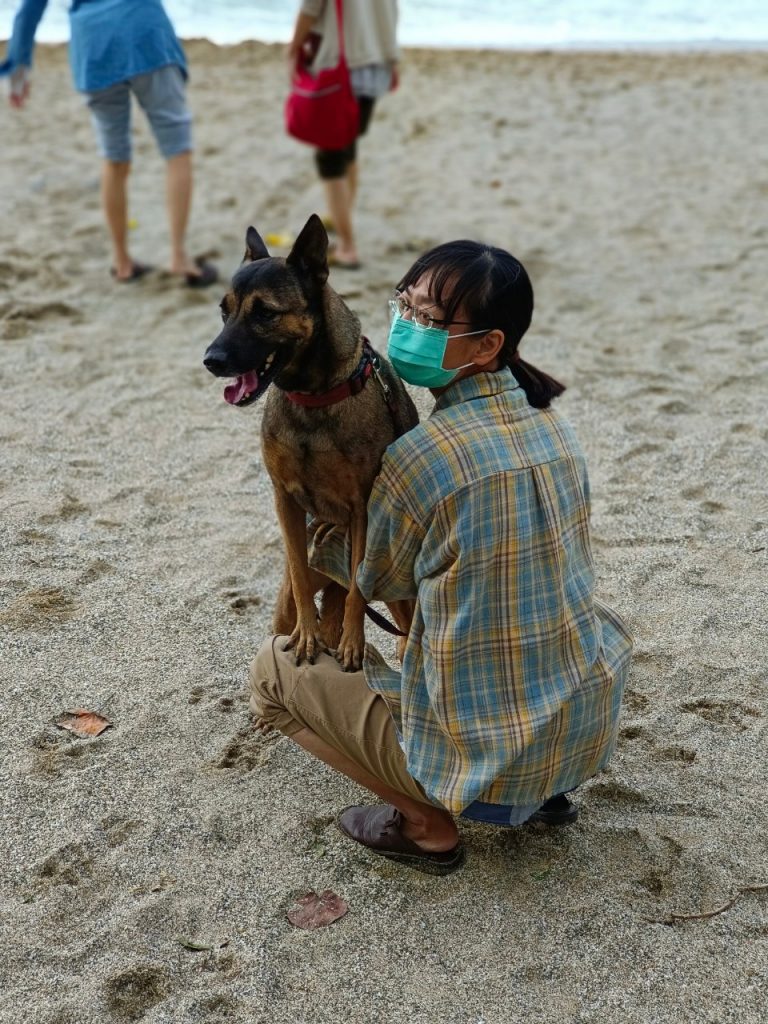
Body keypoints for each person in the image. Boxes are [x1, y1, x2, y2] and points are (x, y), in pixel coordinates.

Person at [250, 239, 633, 875]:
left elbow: (371, 577)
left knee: (272, 673)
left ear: (487, 346)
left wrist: (318, 511)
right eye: (405, 304)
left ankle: (426, 824)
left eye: (429, 318)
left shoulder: (421, 459)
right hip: (576, 738)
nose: (407, 325)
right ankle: (545, 795)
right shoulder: (556, 431)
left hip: (483, 760)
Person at [1, 0, 218, 286]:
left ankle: (122, 262)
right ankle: (179, 256)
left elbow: (30, 8)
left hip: (93, 46)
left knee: (114, 157)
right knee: (177, 148)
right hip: (145, 34)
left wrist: (18, 64)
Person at [287, 0, 399, 269]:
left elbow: (311, 9)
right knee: (348, 149)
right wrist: (393, 60)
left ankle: (347, 246)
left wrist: (292, 49)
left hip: (342, 67)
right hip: (376, 65)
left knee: (331, 160)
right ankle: (342, 219)